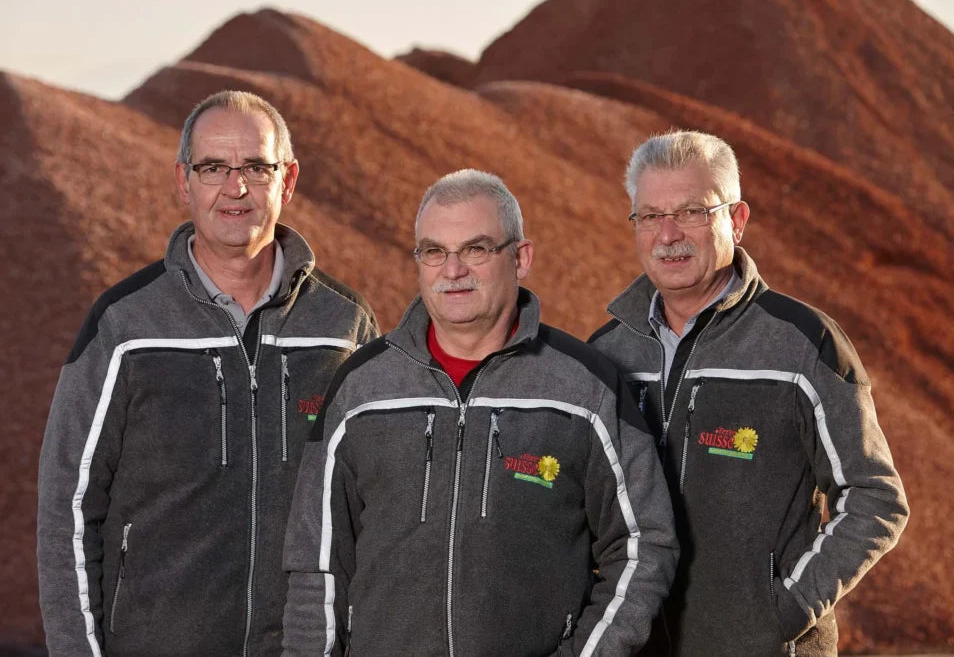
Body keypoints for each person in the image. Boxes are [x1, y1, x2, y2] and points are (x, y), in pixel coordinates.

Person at [280, 169, 678, 656]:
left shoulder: (586, 387)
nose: (452, 271)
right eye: (434, 251)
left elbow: (643, 545)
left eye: (476, 249)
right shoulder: (361, 387)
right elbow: (316, 563)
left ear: (520, 258)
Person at [37, 90, 378, 656]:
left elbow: (377, 507)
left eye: (256, 168)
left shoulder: (344, 326)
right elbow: (66, 512)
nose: (234, 188)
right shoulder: (125, 325)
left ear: (288, 180)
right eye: (213, 167)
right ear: (184, 181)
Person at [589, 131, 909, 655]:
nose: (668, 234)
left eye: (691, 212)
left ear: (736, 221)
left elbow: (875, 497)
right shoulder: (606, 352)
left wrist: (783, 610)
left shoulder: (803, 343)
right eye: (650, 216)